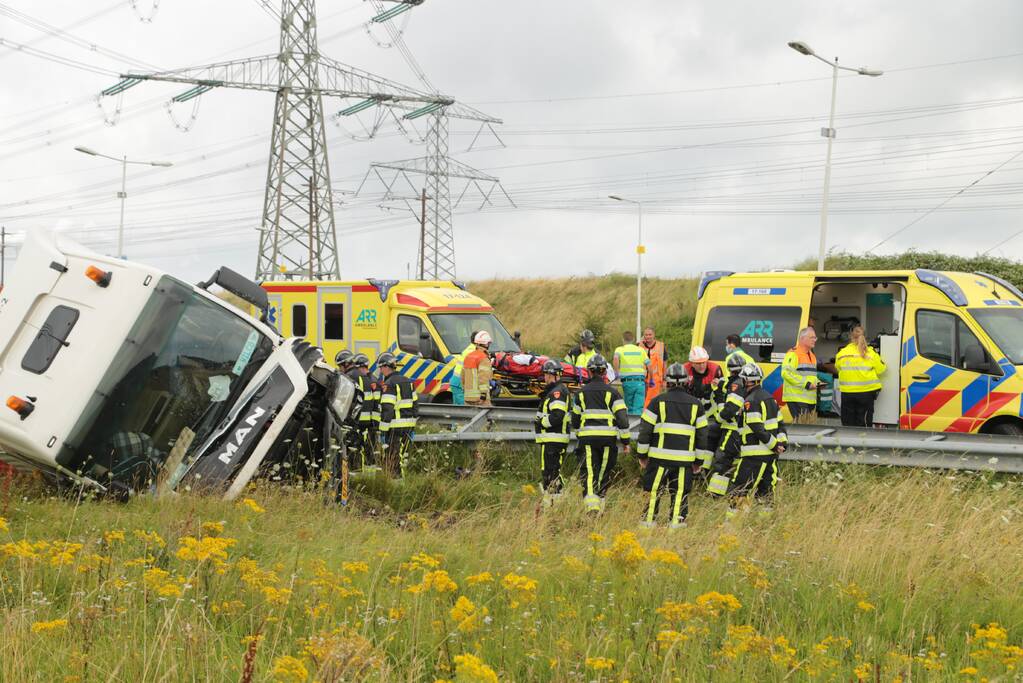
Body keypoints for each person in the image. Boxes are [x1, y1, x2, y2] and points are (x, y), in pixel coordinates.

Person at [635, 363, 710, 529]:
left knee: (653, 491)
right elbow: (703, 436)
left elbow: (645, 431)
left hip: (658, 458)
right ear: (686, 382)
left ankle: (648, 523)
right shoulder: (696, 405)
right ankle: (676, 525)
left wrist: (642, 455)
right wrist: (698, 460)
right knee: (680, 493)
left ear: (666, 382)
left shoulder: (656, 402)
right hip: (684, 461)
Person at [571, 354, 631, 513]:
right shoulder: (613, 393)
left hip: (587, 440)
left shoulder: (580, 394)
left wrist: (580, 434)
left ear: (589, 372)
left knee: (590, 473)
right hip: (608, 440)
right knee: (604, 473)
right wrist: (626, 442)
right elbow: (623, 420)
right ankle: (600, 508)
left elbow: (575, 420)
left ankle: (592, 508)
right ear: (605, 372)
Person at [729, 363, 787, 516]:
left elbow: (756, 427)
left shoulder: (751, 400)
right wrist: (781, 443)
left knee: (739, 488)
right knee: (766, 490)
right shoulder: (771, 399)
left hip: (754, 455)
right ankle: (764, 527)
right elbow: (780, 424)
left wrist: (774, 445)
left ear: (745, 381)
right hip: (770, 456)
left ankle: (732, 525)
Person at [707, 353, 750, 496]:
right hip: (735, 429)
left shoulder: (737, 384)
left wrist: (719, 418)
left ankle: (715, 494)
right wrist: (719, 385)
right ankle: (705, 479)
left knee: (722, 459)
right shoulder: (738, 382)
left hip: (732, 429)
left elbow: (729, 410)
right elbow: (725, 383)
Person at [534, 359, 571, 503]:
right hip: (551, 440)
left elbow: (557, 415)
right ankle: (555, 500)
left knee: (550, 472)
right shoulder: (555, 391)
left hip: (553, 440)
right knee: (551, 471)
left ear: (552, 375)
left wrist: (541, 422)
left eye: (546, 375)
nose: (545, 378)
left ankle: (553, 502)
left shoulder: (557, 392)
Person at [377, 352, 418, 478]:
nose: (380, 371)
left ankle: (397, 484)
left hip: (394, 427)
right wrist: (413, 426)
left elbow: (387, 409)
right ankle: (405, 482)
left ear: (385, 367)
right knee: (404, 457)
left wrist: (383, 431)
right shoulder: (408, 381)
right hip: (408, 426)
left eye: (380, 368)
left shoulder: (388, 384)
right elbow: (415, 406)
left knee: (393, 458)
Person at [835, 326, 886, 427]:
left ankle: (849, 442)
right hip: (866, 394)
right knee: (864, 424)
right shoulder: (871, 353)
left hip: (847, 394)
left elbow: (838, 368)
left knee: (848, 424)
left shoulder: (842, 353)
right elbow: (881, 369)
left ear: (850, 336)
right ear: (865, 337)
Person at [781, 327, 822, 420]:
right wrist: (807, 384)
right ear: (802, 338)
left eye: (815, 338)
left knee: (808, 429)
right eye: (812, 337)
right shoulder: (793, 354)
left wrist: (818, 383)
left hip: (809, 399)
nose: (814, 340)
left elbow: (810, 375)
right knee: (803, 428)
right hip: (796, 398)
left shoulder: (812, 355)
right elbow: (786, 373)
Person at [349, 353, 379, 470]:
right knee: (368, 451)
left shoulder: (369, 381)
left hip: (365, 423)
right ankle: (366, 476)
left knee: (364, 451)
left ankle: (362, 475)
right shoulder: (373, 380)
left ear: (361, 367)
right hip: (370, 423)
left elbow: (376, 404)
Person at [613, 331, 650, 416]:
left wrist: (617, 373)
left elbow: (615, 359)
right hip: (640, 382)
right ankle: (637, 428)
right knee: (638, 408)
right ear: (633, 339)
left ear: (623, 340)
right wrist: (651, 379)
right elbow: (649, 365)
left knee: (628, 407)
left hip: (627, 382)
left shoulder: (619, 349)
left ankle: (630, 426)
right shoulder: (641, 350)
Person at [684, 346, 723, 418]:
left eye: (704, 362)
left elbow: (722, 392)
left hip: (711, 412)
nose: (702, 366)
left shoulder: (715, 369)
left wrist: (720, 384)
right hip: (689, 410)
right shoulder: (685, 369)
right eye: (698, 363)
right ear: (692, 363)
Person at [462, 331, 494, 406]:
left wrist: (466, 392)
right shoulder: (483, 357)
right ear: (486, 343)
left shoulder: (468, 356)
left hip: (468, 398)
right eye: (489, 343)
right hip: (480, 398)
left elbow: (462, 377)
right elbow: (483, 378)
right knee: (487, 416)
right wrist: (483, 395)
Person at [449, 330, 478, 406]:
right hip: (459, 384)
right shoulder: (472, 352)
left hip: (456, 382)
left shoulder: (470, 349)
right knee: (464, 410)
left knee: (457, 410)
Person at [640, 327, 667, 406]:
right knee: (641, 400)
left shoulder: (661, 346)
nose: (648, 336)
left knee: (652, 402)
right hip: (642, 378)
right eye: (646, 335)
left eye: (650, 334)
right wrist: (640, 343)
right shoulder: (639, 346)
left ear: (654, 335)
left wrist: (664, 379)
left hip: (655, 379)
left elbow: (665, 363)